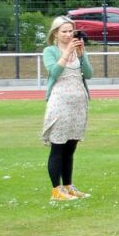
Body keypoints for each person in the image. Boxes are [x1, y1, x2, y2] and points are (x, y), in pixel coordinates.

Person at [42, 16, 93, 201]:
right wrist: (66, 54)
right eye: (64, 31)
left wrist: (81, 55)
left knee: (71, 147)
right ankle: (56, 191)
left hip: (78, 103)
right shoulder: (50, 51)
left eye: (71, 31)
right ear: (55, 33)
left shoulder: (78, 50)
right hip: (60, 102)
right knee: (58, 147)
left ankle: (68, 186)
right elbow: (53, 72)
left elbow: (88, 74)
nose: (68, 35)